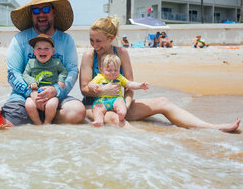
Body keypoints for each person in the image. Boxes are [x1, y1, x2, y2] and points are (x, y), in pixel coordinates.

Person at [79, 16, 240, 132]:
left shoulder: (122, 53)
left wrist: (126, 106)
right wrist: (102, 91)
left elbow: (129, 87)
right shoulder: (89, 56)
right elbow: (84, 89)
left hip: (119, 104)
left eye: (98, 41)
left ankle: (212, 128)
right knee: (113, 119)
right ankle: (147, 140)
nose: (94, 45)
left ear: (111, 38)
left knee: (163, 101)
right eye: (91, 40)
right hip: (96, 107)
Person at [1, 0, 86, 126]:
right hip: (24, 97)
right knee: (5, 125)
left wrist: (56, 91)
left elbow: (72, 71)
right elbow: (13, 73)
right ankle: (34, 119)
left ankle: (43, 122)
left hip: (55, 97)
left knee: (77, 113)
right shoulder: (20, 38)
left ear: (54, 12)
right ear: (31, 15)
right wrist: (31, 93)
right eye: (36, 11)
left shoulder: (66, 40)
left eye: (46, 9)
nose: (41, 14)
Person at [88, 54, 148, 127]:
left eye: (116, 70)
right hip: (102, 100)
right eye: (109, 70)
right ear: (101, 70)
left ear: (119, 69)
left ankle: (121, 114)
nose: (113, 72)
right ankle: (98, 121)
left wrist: (140, 85)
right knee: (96, 108)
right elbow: (90, 84)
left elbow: (129, 84)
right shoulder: (100, 77)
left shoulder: (119, 77)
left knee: (121, 103)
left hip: (116, 99)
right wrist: (93, 86)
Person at [23, 34, 68, 125]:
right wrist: (31, 81)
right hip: (35, 93)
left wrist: (61, 79)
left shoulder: (56, 62)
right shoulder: (31, 63)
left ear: (53, 51)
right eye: (39, 48)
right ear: (34, 52)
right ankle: (38, 123)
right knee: (28, 104)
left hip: (50, 95)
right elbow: (25, 74)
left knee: (52, 104)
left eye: (46, 48)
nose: (42, 51)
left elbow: (63, 71)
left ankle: (47, 122)